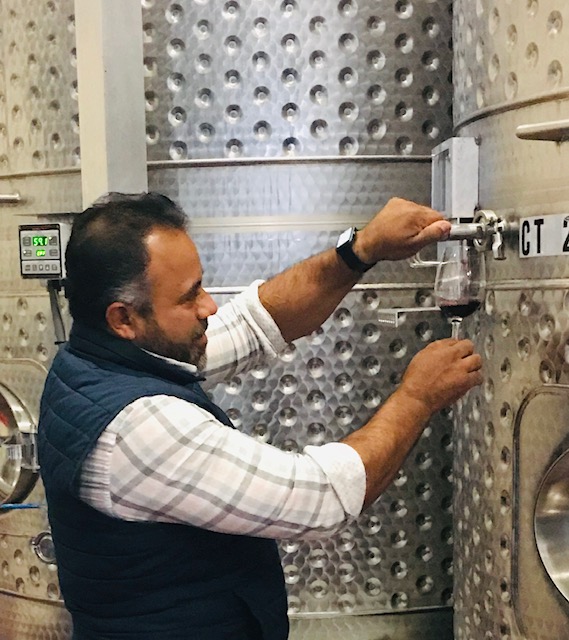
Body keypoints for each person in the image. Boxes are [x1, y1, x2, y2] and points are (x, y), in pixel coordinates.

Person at [38, 192, 482, 640]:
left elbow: (256, 322)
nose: (209, 306)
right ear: (123, 318)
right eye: (190, 295)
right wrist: (418, 397)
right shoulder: (138, 429)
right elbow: (321, 498)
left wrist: (360, 250)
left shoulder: (99, 359)